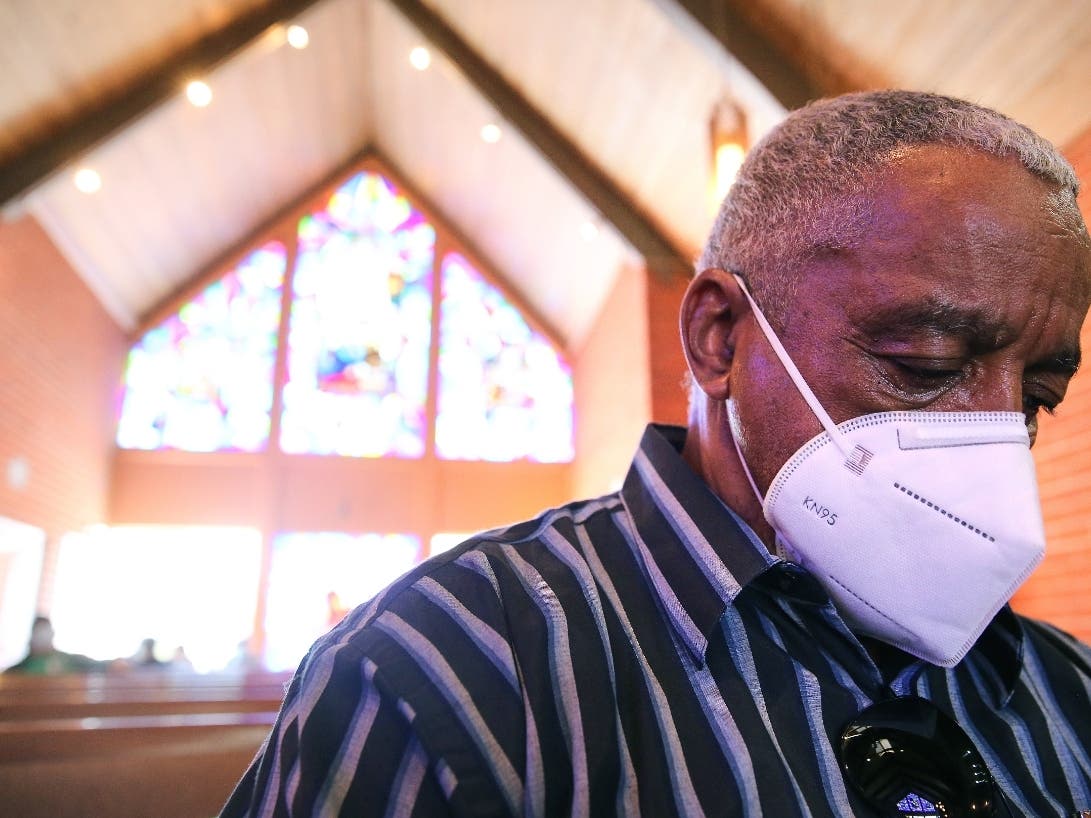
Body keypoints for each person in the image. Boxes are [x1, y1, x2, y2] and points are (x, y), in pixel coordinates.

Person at [221, 91, 1091, 817]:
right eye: (922, 367)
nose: (992, 439)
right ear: (719, 338)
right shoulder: (455, 674)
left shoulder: (1068, 690)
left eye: (1036, 399)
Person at [3, 615, 103, 675]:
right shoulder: (19, 669)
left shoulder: (69, 660)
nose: (42, 637)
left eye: (45, 631)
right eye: (39, 633)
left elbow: (98, 666)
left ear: (52, 633)